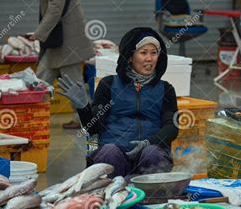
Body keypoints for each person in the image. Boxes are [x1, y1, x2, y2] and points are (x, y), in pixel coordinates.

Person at [58, 27, 179, 178]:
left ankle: (151, 198)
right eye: (143, 53)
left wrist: (148, 143)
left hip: (148, 152)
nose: (149, 58)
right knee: (109, 152)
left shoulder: (166, 89)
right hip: (115, 152)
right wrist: (83, 107)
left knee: (152, 154)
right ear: (130, 57)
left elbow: (172, 127)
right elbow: (94, 128)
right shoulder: (108, 84)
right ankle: (112, 196)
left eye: (154, 53)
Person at [33, 0, 94, 129]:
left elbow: (55, 9)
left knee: (73, 83)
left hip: (67, 43)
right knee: (40, 80)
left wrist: (39, 33)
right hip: (58, 42)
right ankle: (36, 115)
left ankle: (86, 118)